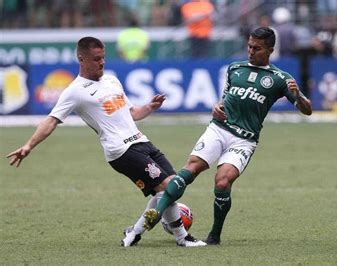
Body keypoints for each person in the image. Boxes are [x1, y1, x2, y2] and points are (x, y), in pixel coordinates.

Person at [6, 36, 206, 248]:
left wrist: (150, 107)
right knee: (167, 187)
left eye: (103, 58)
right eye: (96, 59)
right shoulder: (75, 91)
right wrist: (28, 145)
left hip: (141, 142)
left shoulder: (112, 80)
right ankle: (182, 238)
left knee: (173, 186)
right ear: (81, 59)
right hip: (121, 151)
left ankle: (134, 232)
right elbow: (51, 121)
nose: (102, 62)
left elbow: (132, 113)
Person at [134, 27, 312, 245]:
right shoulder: (234, 68)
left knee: (222, 182)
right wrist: (216, 107)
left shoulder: (280, 79)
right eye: (249, 46)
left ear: (270, 51)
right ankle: (157, 213)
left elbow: (307, 110)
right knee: (191, 168)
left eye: (257, 48)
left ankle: (214, 235)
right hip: (219, 129)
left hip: (244, 139)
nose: (251, 51)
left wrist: (298, 97)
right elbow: (225, 99)